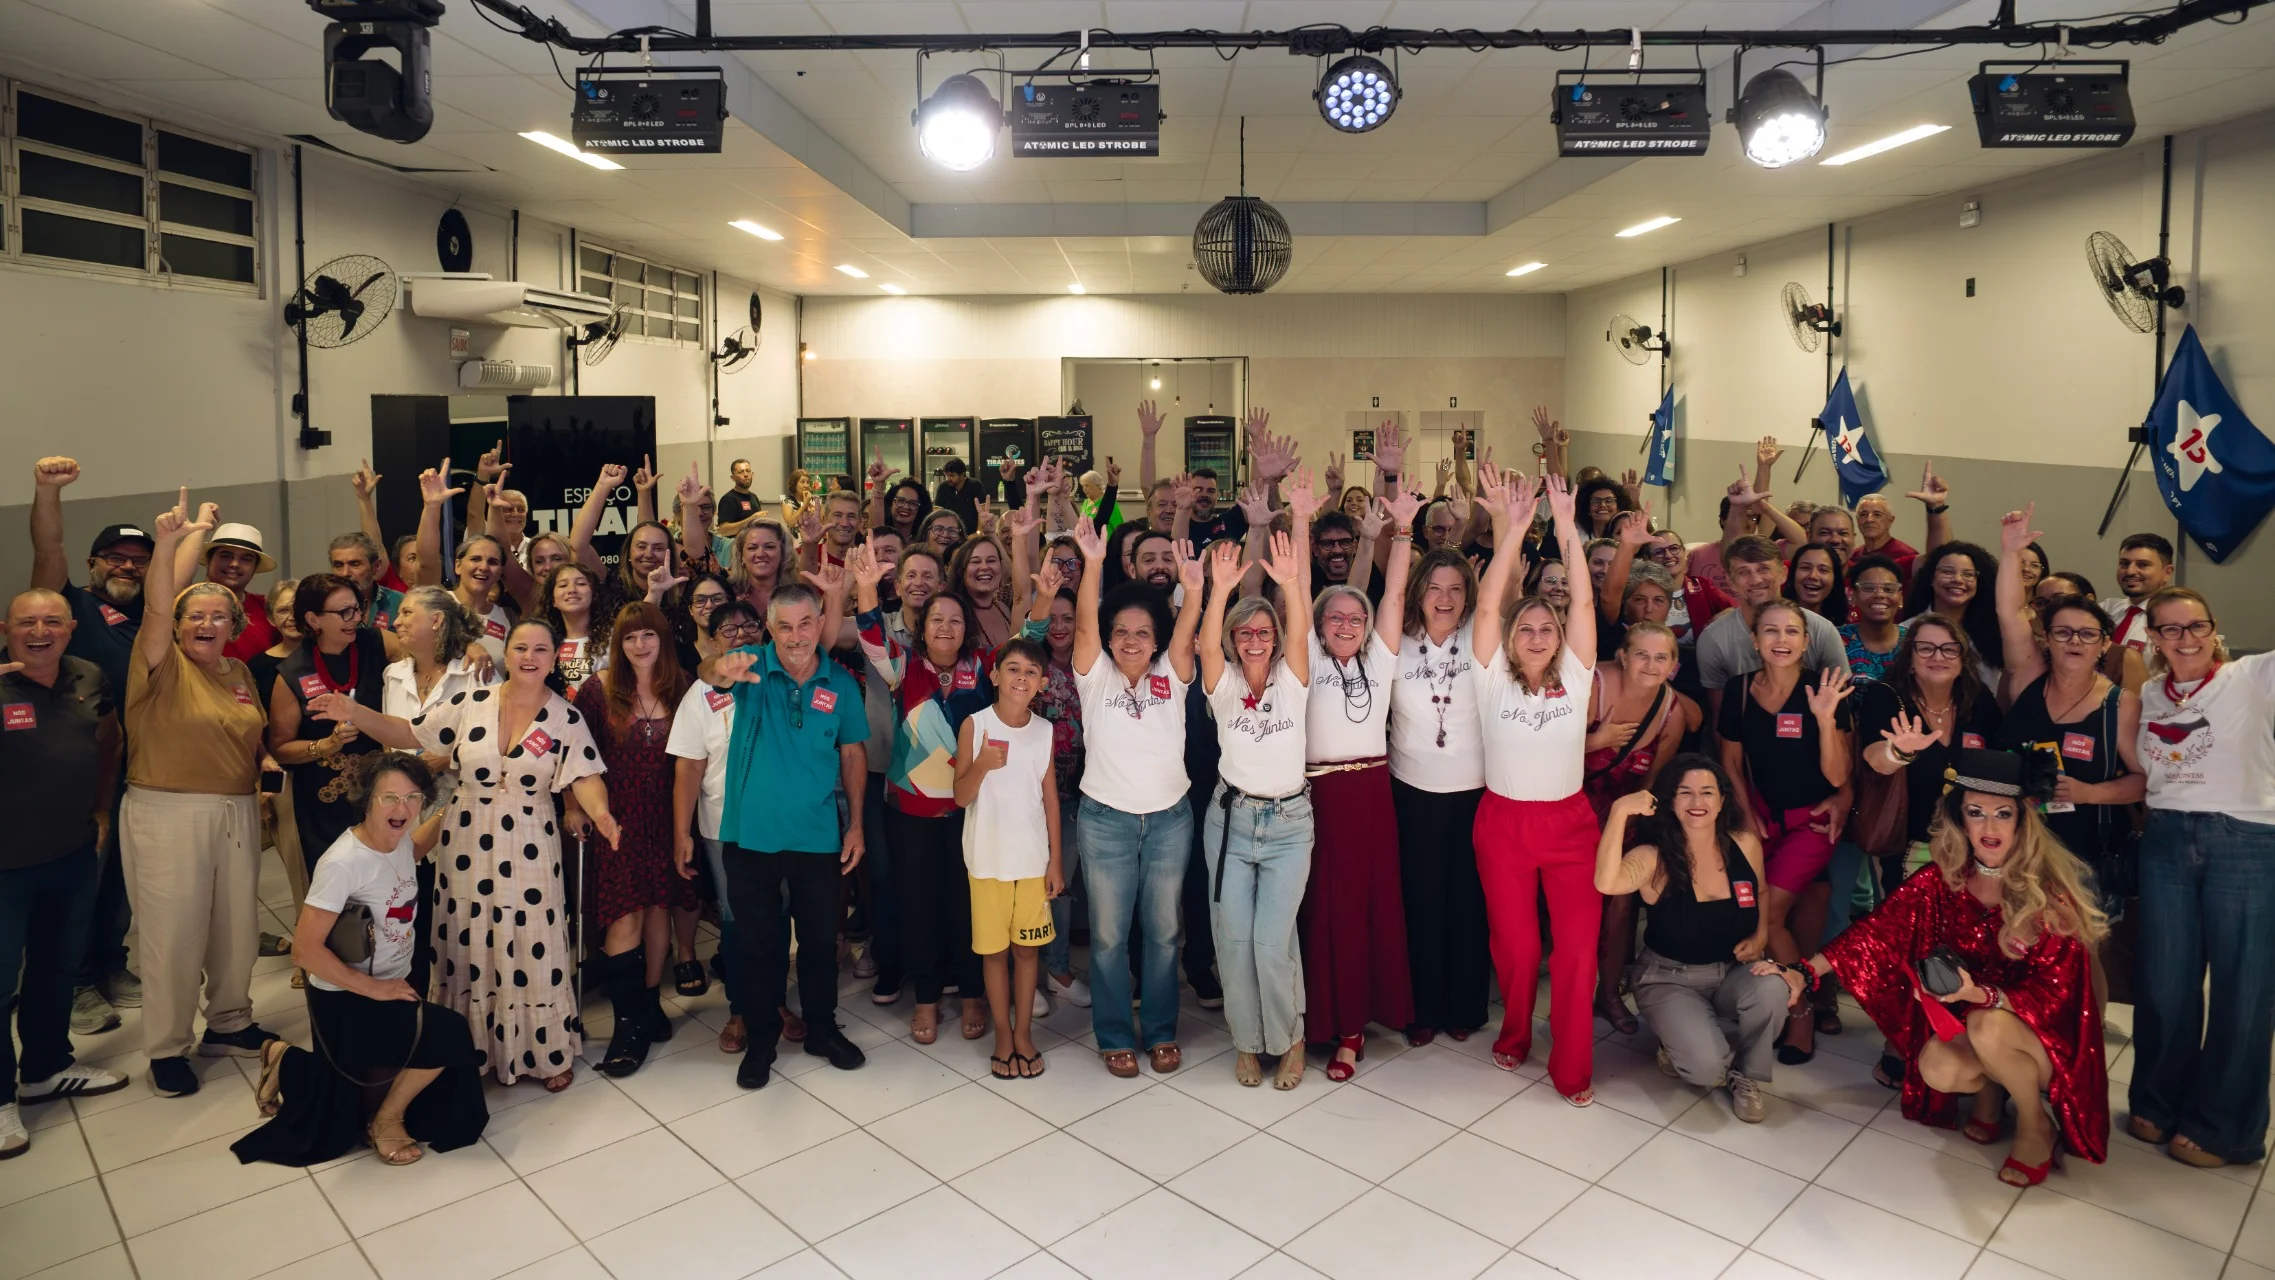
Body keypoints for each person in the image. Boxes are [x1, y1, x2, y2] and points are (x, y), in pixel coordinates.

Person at [317, 619, 615, 1090]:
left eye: (541, 649)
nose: (529, 656)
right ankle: (469, 1049)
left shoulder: (566, 717)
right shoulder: (471, 702)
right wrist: (353, 710)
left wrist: (601, 815)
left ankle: (545, 1050)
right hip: (465, 841)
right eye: (520, 647)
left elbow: (585, 775)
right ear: (507, 654)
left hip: (531, 846)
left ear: (554, 658)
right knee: (468, 940)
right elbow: (410, 733)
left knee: (532, 939)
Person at [1806, 748, 2109, 1187]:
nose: (1989, 828)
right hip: (1980, 1025)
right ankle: (1990, 1093)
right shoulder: (1943, 880)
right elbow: (1875, 931)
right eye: (1976, 813)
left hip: (2050, 1041)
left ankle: (2033, 1123)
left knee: (1986, 1024)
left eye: (2002, 814)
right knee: (1939, 1067)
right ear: (1960, 819)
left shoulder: (2049, 895)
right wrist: (1804, 972)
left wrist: (1978, 996)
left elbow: (2060, 1000)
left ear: (2022, 820)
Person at [233, 754, 487, 1168]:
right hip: (346, 999)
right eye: (389, 797)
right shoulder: (343, 863)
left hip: (387, 984)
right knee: (450, 1034)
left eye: (412, 798)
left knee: (365, 1081)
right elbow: (305, 951)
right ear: (367, 800)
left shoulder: (399, 839)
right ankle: (385, 1121)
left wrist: (463, 802)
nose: (402, 809)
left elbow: (416, 846)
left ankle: (285, 1059)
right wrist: (377, 989)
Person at [122, 493, 280, 1096]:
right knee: (173, 933)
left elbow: (250, 734)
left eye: (220, 617)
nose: (207, 624)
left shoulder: (236, 674)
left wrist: (263, 761)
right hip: (168, 810)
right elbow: (158, 608)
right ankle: (166, 1047)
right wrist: (168, 545)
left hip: (236, 809)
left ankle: (230, 1021)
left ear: (235, 626)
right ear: (178, 625)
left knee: (236, 927)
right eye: (196, 616)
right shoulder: (158, 663)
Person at [698, 586, 872, 1089]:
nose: (796, 637)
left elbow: (853, 754)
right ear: (770, 630)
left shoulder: (839, 683)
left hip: (817, 838)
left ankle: (821, 1029)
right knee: (757, 944)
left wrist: (856, 822)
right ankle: (761, 1039)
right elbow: (710, 673)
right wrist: (718, 669)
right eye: (785, 626)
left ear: (821, 624)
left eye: (805, 624)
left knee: (820, 944)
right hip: (749, 836)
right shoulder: (750, 664)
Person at [2127, 585, 2275, 1170]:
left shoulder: (2253, 677)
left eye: (2196, 627)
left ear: (2213, 630)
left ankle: (2223, 1126)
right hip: (2165, 838)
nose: (2185, 639)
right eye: (2171, 629)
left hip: (2244, 839)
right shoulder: (2148, 693)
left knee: (2243, 987)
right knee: (2164, 980)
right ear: (2154, 639)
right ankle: (2159, 1101)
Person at [1468, 467, 1603, 1101]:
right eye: (1527, 629)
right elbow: (1490, 603)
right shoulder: (1490, 678)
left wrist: (1568, 528)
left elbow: (1580, 601)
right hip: (1505, 824)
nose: (1538, 636)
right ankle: (1515, 1033)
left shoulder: (1576, 676)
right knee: (1519, 950)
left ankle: (1572, 1067)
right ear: (1510, 639)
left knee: (1576, 953)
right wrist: (1516, 532)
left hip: (1571, 826)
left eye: (1546, 629)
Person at [1066, 517, 1202, 1078]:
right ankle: (1116, 1033)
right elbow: (1082, 630)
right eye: (1120, 631)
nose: (1130, 641)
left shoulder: (1173, 674)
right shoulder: (1093, 675)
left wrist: (1193, 591)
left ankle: (1163, 1030)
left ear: (1157, 640)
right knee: (1106, 935)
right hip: (1105, 822)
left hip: (1170, 819)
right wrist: (1093, 563)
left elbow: (1189, 626)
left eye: (1143, 632)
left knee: (1165, 931)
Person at [0, 589, 129, 1157]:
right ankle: (1, 1098)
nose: (39, 631)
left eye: (53, 621)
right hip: (4, 866)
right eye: (27, 622)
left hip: (72, 854)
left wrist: (102, 806)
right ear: (6, 628)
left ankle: (46, 1069)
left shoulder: (86, 676)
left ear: (71, 629)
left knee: (55, 969)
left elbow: (108, 742)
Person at [1299, 489, 1421, 1084]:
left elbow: (1394, 594)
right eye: (1334, 618)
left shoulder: (1378, 659)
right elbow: (1295, 594)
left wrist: (1402, 531)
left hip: (1372, 794)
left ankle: (1356, 1027)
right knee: (1323, 912)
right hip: (1318, 797)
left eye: (1356, 618)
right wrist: (1298, 522)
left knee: (1367, 909)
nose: (1346, 625)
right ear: (1319, 625)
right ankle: (1325, 1018)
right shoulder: (1307, 660)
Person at [851, 547, 996, 1044]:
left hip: (970, 810)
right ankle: (929, 999)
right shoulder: (902, 667)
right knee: (920, 906)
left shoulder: (984, 669)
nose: (946, 627)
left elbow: (1032, 640)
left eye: (956, 620)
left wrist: (1040, 595)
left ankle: (974, 993)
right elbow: (870, 634)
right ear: (922, 625)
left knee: (967, 902)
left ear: (967, 629)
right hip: (908, 812)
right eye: (937, 618)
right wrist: (867, 584)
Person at [1198, 504, 1317, 1089]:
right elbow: (1205, 646)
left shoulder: (1294, 683)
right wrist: (1220, 590)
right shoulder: (1221, 688)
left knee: (1272, 940)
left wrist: (1292, 586)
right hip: (1231, 821)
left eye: (1262, 631)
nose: (1254, 639)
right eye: (1243, 632)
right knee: (1234, 940)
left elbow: (1300, 631)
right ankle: (1247, 1042)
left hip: (1289, 822)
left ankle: (1288, 1037)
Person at [1596, 757, 1785, 1122]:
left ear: (1722, 800)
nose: (1697, 802)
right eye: (1685, 793)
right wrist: (1620, 811)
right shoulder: (1654, 858)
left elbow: (1760, 892)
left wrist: (1761, 933)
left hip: (1730, 971)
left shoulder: (1744, 844)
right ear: (1670, 801)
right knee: (1705, 1070)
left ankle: (1746, 1074)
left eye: (1706, 792)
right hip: (1668, 977)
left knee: (1773, 988)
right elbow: (1607, 882)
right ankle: (1684, 1045)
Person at [1991, 506, 2144, 935]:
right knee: (2013, 951)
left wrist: (2089, 792)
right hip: (2014, 850)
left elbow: (2145, 781)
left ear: (2104, 644)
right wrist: (2009, 553)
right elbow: (2008, 613)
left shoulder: (2120, 705)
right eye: (2063, 632)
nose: (2074, 641)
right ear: (2047, 637)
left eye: (2087, 634)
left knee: (2080, 962)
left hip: (2083, 858)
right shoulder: (2027, 678)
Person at [1716, 599, 1854, 1065]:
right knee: (1789, 913)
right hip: (1758, 816)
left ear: (1806, 641)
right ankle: (1772, 1002)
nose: (1781, 641)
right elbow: (1731, 761)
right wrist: (1741, 809)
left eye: (1791, 632)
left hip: (1812, 821)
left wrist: (1824, 718)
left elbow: (1838, 778)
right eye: (1770, 632)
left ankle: (1802, 1015)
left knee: (1769, 916)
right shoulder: (1737, 691)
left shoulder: (1825, 689)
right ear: (1754, 641)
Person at [572, 603, 698, 1076]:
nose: (640, 645)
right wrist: (573, 807)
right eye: (629, 638)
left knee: (658, 910)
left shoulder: (682, 685)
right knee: (624, 917)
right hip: (617, 819)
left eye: (648, 635)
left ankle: (648, 1004)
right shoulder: (598, 690)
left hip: (668, 817)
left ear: (663, 639)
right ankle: (627, 1024)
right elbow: (575, 754)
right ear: (618, 645)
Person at [1390, 547, 1492, 1046]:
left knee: (1468, 902)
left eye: (1455, 588)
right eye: (1434, 587)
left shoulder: (1479, 636)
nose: (1445, 598)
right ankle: (1421, 1008)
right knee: (1421, 902)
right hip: (1413, 790)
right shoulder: (1397, 641)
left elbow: (1505, 595)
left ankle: (1465, 1005)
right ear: (1418, 593)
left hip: (1475, 791)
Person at [953, 638, 1064, 1080]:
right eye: (1012, 669)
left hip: (1032, 864)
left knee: (1027, 950)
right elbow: (961, 797)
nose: (1021, 677)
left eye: (1031, 671)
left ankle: (1023, 1034)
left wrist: (1055, 862)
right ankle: (1002, 1034)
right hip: (987, 863)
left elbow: (1050, 800)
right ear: (994, 675)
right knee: (994, 953)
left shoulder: (1044, 731)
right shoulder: (974, 725)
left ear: (1042, 682)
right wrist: (981, 764)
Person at [1582, 622, 1699, 1033]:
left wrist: (1627, 828)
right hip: (1571, 809)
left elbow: (1653, 783)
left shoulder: (1671, 711)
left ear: (1673, 665)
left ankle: (1610, 993)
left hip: (1623, 815)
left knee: (1620, 905)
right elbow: (1544, 747)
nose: (1651, 664)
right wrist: (1596, 742)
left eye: (1661, 657)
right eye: (1642, 655)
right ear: (1624, 657)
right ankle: (1572, 993)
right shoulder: (1593, 686)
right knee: (1575, 905)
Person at [669, 600, 773, 1055]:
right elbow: (689, 769)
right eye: (728, 630)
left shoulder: (787, 676)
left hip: (782, 822)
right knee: (735, 918)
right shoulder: (701, 695)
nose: (742, 634)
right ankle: (741, 1006)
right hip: (723, 825)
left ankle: (773, 1002)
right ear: (710, 642)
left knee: (779, 915)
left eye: (750, 625)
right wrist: (682, 832)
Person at [269, 574, 390, 879]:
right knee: (335, 883)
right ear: (313, 619)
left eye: (358, 607)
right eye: (344, 612)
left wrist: (471, 649)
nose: (357, 618)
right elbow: (280, 748)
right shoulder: (293, 672)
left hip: (378, 792)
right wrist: (326, 745)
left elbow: (427, 650)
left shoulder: (374, 642)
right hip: (324, 799)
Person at [1695, 537, 1850, 725]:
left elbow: (1842, 720)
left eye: (1763, 569)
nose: (1756, 580)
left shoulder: (1822, 631)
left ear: (1783, 573)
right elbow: (1720, 722)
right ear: (1730, 581)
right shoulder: (1713, 640)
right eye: (1744, 572)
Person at [1902, 542, 2003, 686]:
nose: (1958, 580)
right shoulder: (1905, 631)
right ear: (1931, 578)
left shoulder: (1994, 632)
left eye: (1968, 574)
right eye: (1948, 572)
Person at [197, 521, 280, 664]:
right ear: (209, 560)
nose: (234, 564)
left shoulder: (268, 608)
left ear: (255, 568)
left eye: (246, 559)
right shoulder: (184, 603)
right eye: (226, 555)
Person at [539, 562, 617, 694]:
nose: (572, 590)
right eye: (563, 585)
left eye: (581, 584)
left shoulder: (614, 637)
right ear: (553, 600)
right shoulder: (543, 642)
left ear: (594, 595)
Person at [1838, 555, 1908, 684]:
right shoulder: (1837, 640)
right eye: (1868, 588)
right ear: (1853, 596)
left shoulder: (1914, 641)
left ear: (1900, 598)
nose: (1880, 595)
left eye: (1888, 589)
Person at [2107, 532, 2175, 657]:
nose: (2130, 571)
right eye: (2124, 563)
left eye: (2142, 565)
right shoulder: (2106, 610)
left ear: (2167, 573)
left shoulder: (2176, 621)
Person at [330, 532, 401, 630]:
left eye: (355, 564)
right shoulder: (321, 607)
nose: (345, 573)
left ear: (376, 566)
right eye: (338, 565)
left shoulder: (399, 602)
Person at [1786, 542, 1850, 624]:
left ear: (1835, 579)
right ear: (1792, 575)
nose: (1813, 576)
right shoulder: (1774, 618)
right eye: (1805, 568)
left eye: (1823, 570)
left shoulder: (1845, 630)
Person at [932, 457, 982, 531]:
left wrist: (978, 533)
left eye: (952, 475)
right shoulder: (943, 487)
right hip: (949, 532)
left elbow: (982, 512)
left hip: (971, 533)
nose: (949, 479)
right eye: (947, 475)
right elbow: (937, 513)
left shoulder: (975, 485)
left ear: (962, 474)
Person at [718, 457, 762, 528]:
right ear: (732, 478)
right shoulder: (728, 499)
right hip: (736, 539)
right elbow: (723, 530)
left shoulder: (754, 497)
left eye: (748, 471)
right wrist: (750, 520)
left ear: (752, 474)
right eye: (741, 472)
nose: (746, 474)